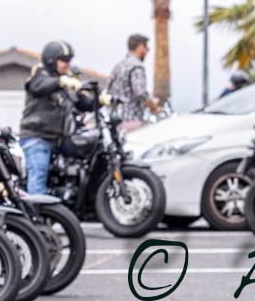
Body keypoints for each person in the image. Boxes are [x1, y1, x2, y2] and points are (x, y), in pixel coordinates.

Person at [19, 41, 99, 196]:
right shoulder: (40, 76)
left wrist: (100, 100)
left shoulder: (64, 82)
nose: (68, 64)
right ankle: (37, 215)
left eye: (69, 61)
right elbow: (38, 86)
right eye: (64, 60)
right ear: (50, 60)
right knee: (38, 175)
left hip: (58, 139)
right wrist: (61, 81)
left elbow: (82, 103)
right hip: (37, 138)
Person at [107, 34, 158, 131]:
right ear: (140, 47)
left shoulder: (118, 66)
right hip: (131, 119)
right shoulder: (137, 66)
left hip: (114, 118)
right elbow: (139, 92)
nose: (147, 51)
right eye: (146, 47)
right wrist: (153, 105)